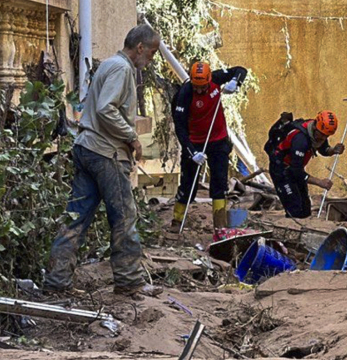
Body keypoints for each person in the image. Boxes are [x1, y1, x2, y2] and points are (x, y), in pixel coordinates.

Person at [45, 24, 162, 297]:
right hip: (106, 153)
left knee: (76, 217)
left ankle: (57, 282)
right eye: (152, 52)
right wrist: (132, 138)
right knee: (124, 217)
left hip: (87, 148)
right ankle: (128, 281)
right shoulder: (122, 69)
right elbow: (105, 109)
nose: (152, 59)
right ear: (140, 47)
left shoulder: (109, 64)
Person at [171, 61, 248, 233]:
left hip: (218, 140)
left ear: (208, 79)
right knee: (188, 184)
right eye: (196, 87)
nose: (199, 91)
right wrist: (192, 152)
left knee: (219, 183)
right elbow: (180, 128)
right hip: (194, 142)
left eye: (203, 87)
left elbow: (240, 69)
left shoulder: (216, 78)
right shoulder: (184, 94)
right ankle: (177, 221)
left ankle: (220, 225)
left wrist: (235, 81)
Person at [269, 111, 345, 218]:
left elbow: (323, 149)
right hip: (281, 170)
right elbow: (296, 171)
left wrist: (333, 150)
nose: (323, 138)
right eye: (322, 135)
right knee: (295, 210)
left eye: (327, 136)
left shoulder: (318, 131)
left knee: (305, 210)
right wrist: (319, 182)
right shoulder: (300, 140)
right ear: (315, 127)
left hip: (295, 170)